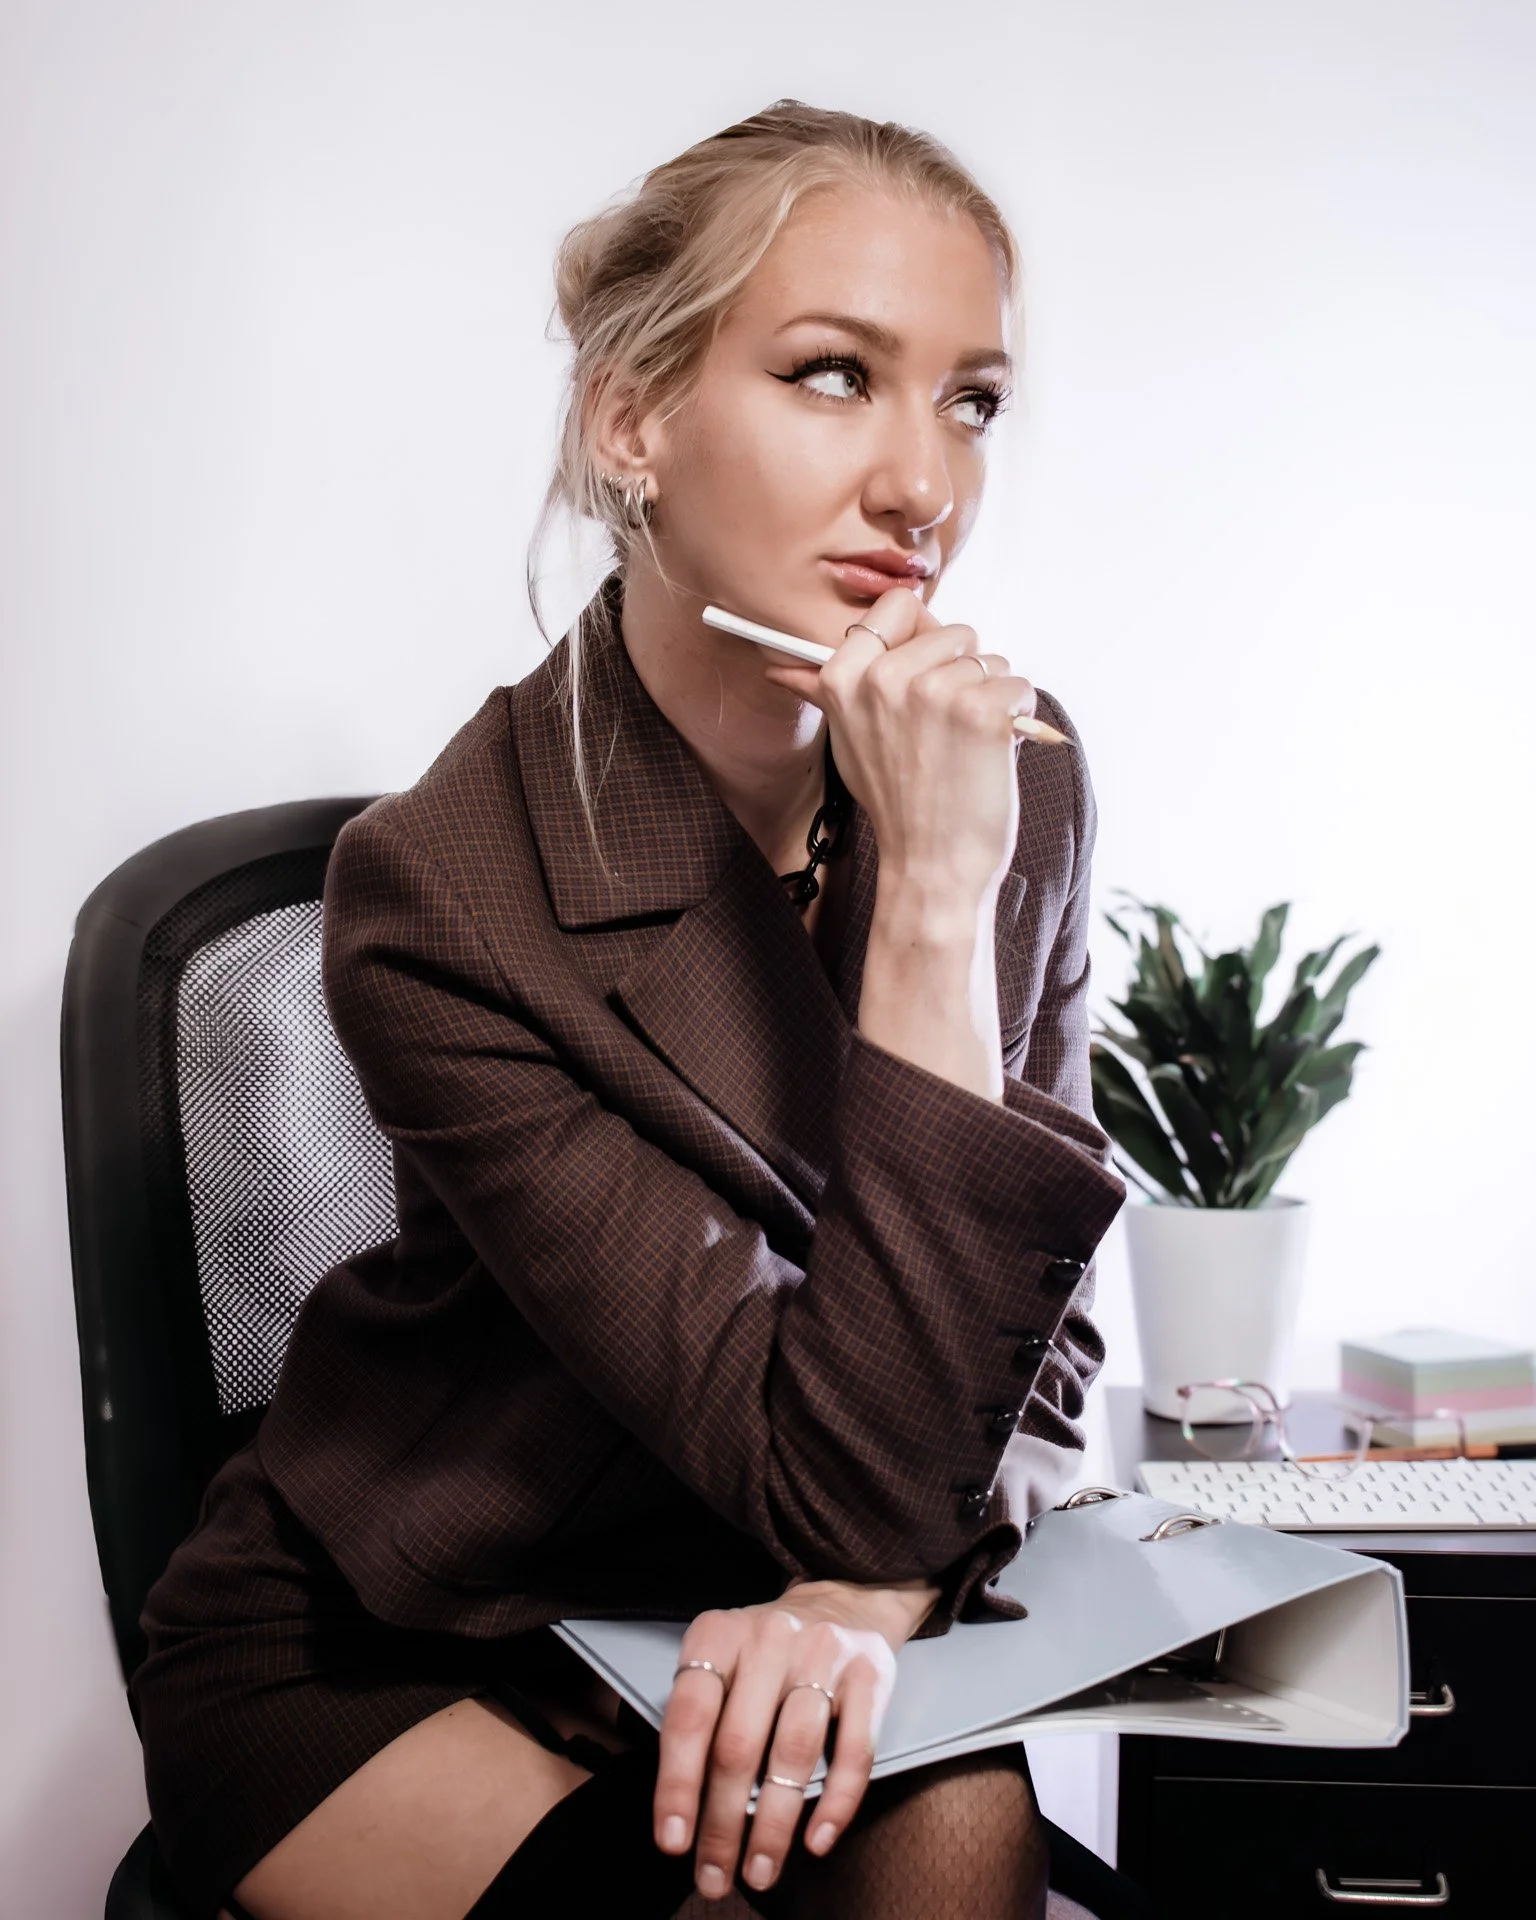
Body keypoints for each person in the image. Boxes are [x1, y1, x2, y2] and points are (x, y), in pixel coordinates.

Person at [129, 99, 1127, 1920]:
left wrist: (867, 1600)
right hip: (410, 1627)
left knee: (963, 1839)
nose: (927, 484)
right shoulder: (439, 892)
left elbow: (1041, 1359)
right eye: (837, 375)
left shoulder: (1017, 787)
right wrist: (923, 920)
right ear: (632, 417)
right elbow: (829, 1467)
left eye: (970, 398)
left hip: (784, 1611)